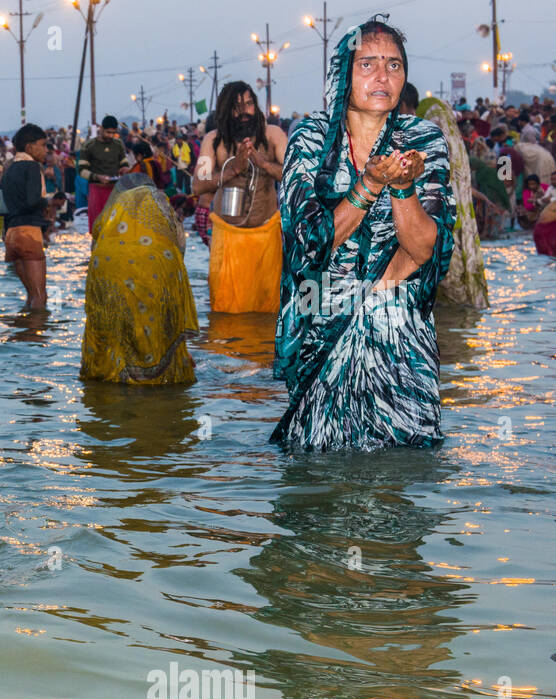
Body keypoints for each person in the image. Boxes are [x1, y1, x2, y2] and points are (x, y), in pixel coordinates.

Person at [272, 19, 456, 452]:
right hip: (325, 325)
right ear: (342, 75)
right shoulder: (312, 139)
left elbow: (427, 247)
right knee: (323, 467)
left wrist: (402, 186)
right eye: (367, 64)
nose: (382, 76)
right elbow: (309, 242)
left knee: (401, 471)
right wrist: (368, 185)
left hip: (400, 329)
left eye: (393, 65)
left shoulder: (422, 138)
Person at [82, 174, 198, 385]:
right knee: (154, 322)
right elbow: (179, 254)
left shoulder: (108, 224)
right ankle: (152, 381)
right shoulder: (161, 212)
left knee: (112, 324)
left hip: (108, 269)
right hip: (156, 271)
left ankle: (111, 376)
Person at [193, 82, 288, 314]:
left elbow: (294, 173)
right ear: (226, 110)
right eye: (236, 107)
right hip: (227, 239)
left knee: (268, 311)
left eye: (249, 104)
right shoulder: (213, 141)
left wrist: (262, 163)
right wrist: (232, 169)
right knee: (225, 311)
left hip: (266, 236)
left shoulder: (273, 135)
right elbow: (197, 184)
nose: (244, 112)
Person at [412, 87, 489, 308]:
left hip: (445, 227)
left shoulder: (440, 153)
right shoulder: (455, 152)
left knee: (447, 288)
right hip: (445, 224)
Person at [2, 124, 50, 311]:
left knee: (30, 295)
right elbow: (32, 201)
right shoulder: (32, 167)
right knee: (40, 296)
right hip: (29, 232)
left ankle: (23, 334)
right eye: (43, 145)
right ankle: (37, 337)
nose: (46, 150)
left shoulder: (9, 168)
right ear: (30, 147)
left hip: (12, 234)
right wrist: (47, 202)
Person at [78, 115, 126, 231]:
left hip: (115, 190)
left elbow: (124, 163)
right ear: (101, 129)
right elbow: (81, 170)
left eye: (113, 133)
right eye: (108, 132)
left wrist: (125, 169)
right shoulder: (89, 145)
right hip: (96, 189)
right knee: (98, 228)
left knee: (116, 227)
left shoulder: (118, 144)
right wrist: (97, 177)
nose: (110, 136)